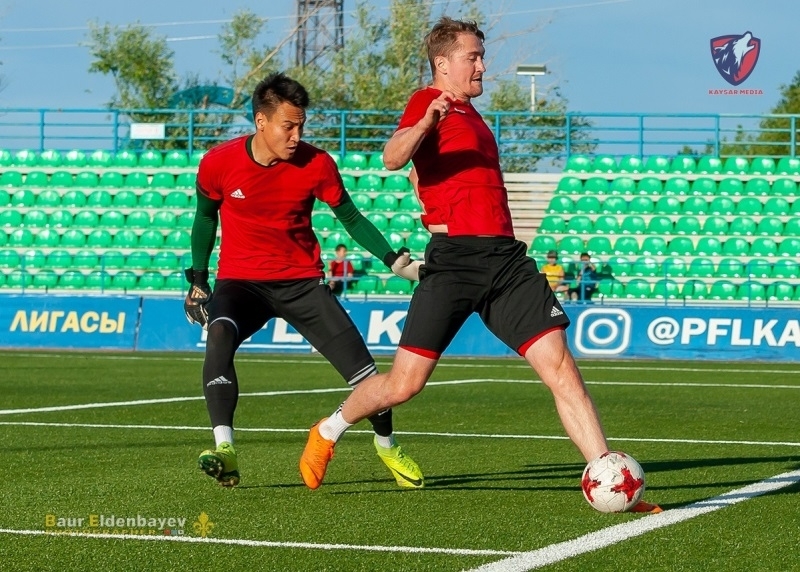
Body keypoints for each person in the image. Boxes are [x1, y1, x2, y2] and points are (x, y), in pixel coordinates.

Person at [299, 17, 659, 512]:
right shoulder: (428, 102)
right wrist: (425, 123)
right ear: (442, 63)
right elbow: (391, 157)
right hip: (455, 261)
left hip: (506, 260)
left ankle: (609, 478)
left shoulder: (473, 117)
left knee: (561, 368)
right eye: (473, 57)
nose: (483, 66)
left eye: (481, 56)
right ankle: (328, 429)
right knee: (405, 385)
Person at [184, 72, 424, 489]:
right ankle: (225, 448)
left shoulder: (317, 164)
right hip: (241, 283)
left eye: (301, 126)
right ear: (261, 121)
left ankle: (387, 444)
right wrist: (199, 280)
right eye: (288, 126)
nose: (297, 136)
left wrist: (391, 259)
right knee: (219, 333)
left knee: (367, 375)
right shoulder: (218, 162)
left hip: (302, 283)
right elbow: (204, 218)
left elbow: (351, 218)